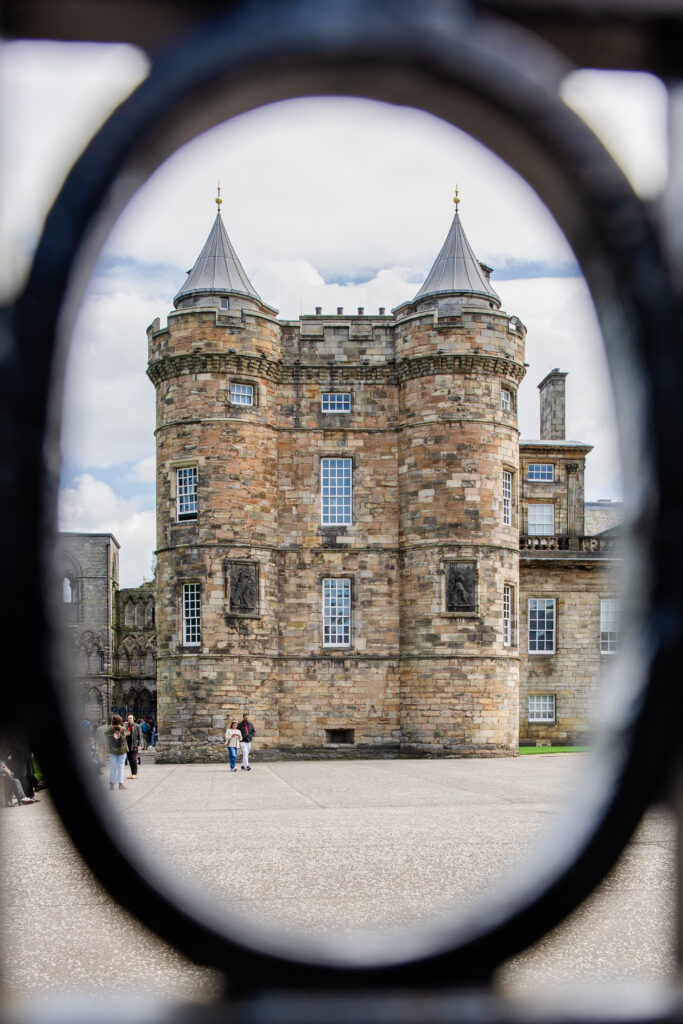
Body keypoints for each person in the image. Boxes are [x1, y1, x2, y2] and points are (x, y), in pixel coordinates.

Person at [105, 716, 128, 790]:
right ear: (120, 721)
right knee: (121, 767)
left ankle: (112, 784)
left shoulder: (110, 728)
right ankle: (120, 784)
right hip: (122, 749)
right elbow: (124, 737)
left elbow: (106, 735)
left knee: (113, 767)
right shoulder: (123, 728)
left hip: (112, 749)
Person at [125, 714, 142, 779]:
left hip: (134, 745)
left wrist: (140, 745)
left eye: (130, 718)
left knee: (133, 758)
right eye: (128, 718)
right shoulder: (125, 726)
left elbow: (140, 736)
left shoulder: (137, 726)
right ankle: (132, 773)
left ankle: (135, 773)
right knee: (129, 759)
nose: (129, 720)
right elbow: (122, 735)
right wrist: (126, 734)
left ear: (133, 719)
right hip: (127, 745)